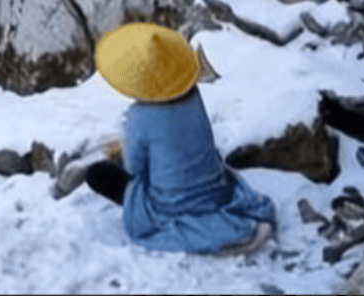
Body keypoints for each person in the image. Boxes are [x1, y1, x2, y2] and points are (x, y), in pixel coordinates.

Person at [86, 22, 276, 256]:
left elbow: (134, 168)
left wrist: (123, 148)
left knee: (97, 174)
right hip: (217, 190)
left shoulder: (140, 115)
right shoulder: (193, 95)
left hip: (172, 204)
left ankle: (227, 231)